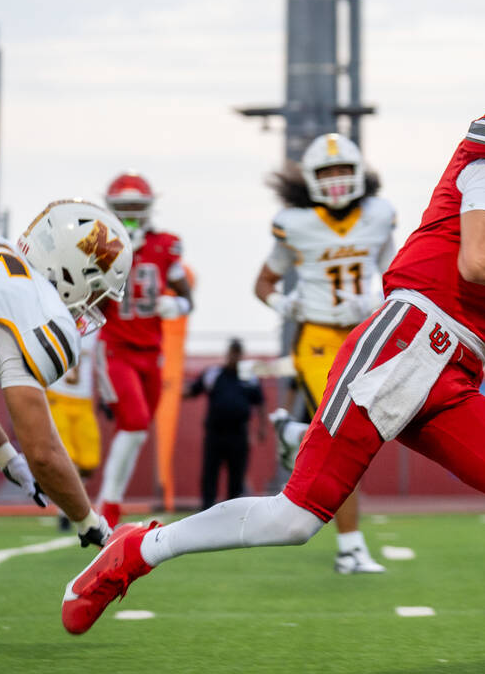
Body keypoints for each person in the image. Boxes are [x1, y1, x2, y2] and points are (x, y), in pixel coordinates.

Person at [62, 56, 485, 674]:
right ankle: (138, 549)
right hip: (401, 345)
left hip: (455, 366)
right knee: (294, 519)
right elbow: (480, 261)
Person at [0, 199, 133, 549]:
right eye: (95, 289)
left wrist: (5, 457)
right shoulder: (38, 311)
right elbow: (43, 454)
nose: (92, 302)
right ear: (72, 272)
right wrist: (90, 522)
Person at [254, 132, 394, 573]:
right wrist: (283, 304)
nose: (335, 179)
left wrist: (375, 301)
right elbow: (263, 283)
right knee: (345, 434)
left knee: (369, 427)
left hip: (363, 333)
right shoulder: (295, 223)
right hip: (315, 337)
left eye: (342, 170)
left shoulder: (378, 215)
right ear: (310, 178)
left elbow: (397, 276)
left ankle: (294, 434)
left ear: (359, 174)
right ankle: (350, 547)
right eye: (327, 171)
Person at [96, 172, 193, 528]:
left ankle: (110, 501)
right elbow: (84, 300)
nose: (131, 214)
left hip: (152, 352)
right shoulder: (96, 245)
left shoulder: (166, 245)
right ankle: (109, 506)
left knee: (137, 430)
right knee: (134, 422)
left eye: (137, 206)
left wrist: (177, 305)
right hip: (116, 348)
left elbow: (187, 297)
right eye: (124, 208)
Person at [184, 338, 266, 510]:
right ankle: (206, 509)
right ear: (227, 354)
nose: (235, 357)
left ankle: (232, 512)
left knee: (236, 475)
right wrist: (172, 391)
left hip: (238, 433)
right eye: (232, 353)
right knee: (210, 473)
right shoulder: (213, 374)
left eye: (238, 353)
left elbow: (260, 402)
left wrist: (262, 428)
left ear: (241, 355)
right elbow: (193, 390)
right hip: (216, 433)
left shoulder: (249, 378)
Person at [46, 328, 106, 530]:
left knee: (89, 461)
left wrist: (105, 394)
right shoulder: (54, 321)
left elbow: (102, 360)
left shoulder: (95, 328)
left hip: (84, 401)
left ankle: (72, 507)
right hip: (57, 397)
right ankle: (65, 512)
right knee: (67, 457)